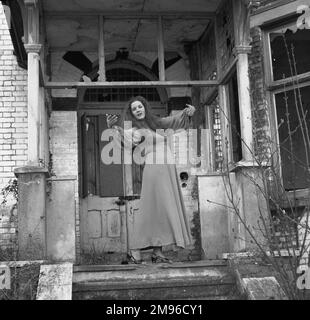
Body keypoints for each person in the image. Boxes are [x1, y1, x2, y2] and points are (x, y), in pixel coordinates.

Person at [107, 96, 196, 264]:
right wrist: (113, 127)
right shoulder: (134, 130)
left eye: (140, 107)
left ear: (145, 107)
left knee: (160, 210)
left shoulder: (158, 123)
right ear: (132, 113)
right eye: (134, 109)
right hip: (154, 171)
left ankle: (157, 252)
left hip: (168, 169)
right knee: (152, 209)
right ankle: (135, 250)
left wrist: (188, 113)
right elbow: (123, 139)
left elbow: (176, 121)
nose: (138, 110)